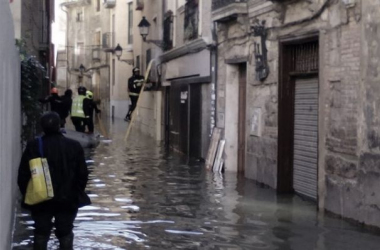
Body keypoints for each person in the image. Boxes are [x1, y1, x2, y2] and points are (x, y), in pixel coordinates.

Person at [17, 112, 90, 250]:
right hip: (67, 197)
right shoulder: (74, 145)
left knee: (41, 232)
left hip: (41, 199)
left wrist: (28, 195)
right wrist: (77, 192)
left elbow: (23, 174)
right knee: (65, 231)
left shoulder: (33, 145)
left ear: (42, 127)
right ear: (59, 126)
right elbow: (83, 174)